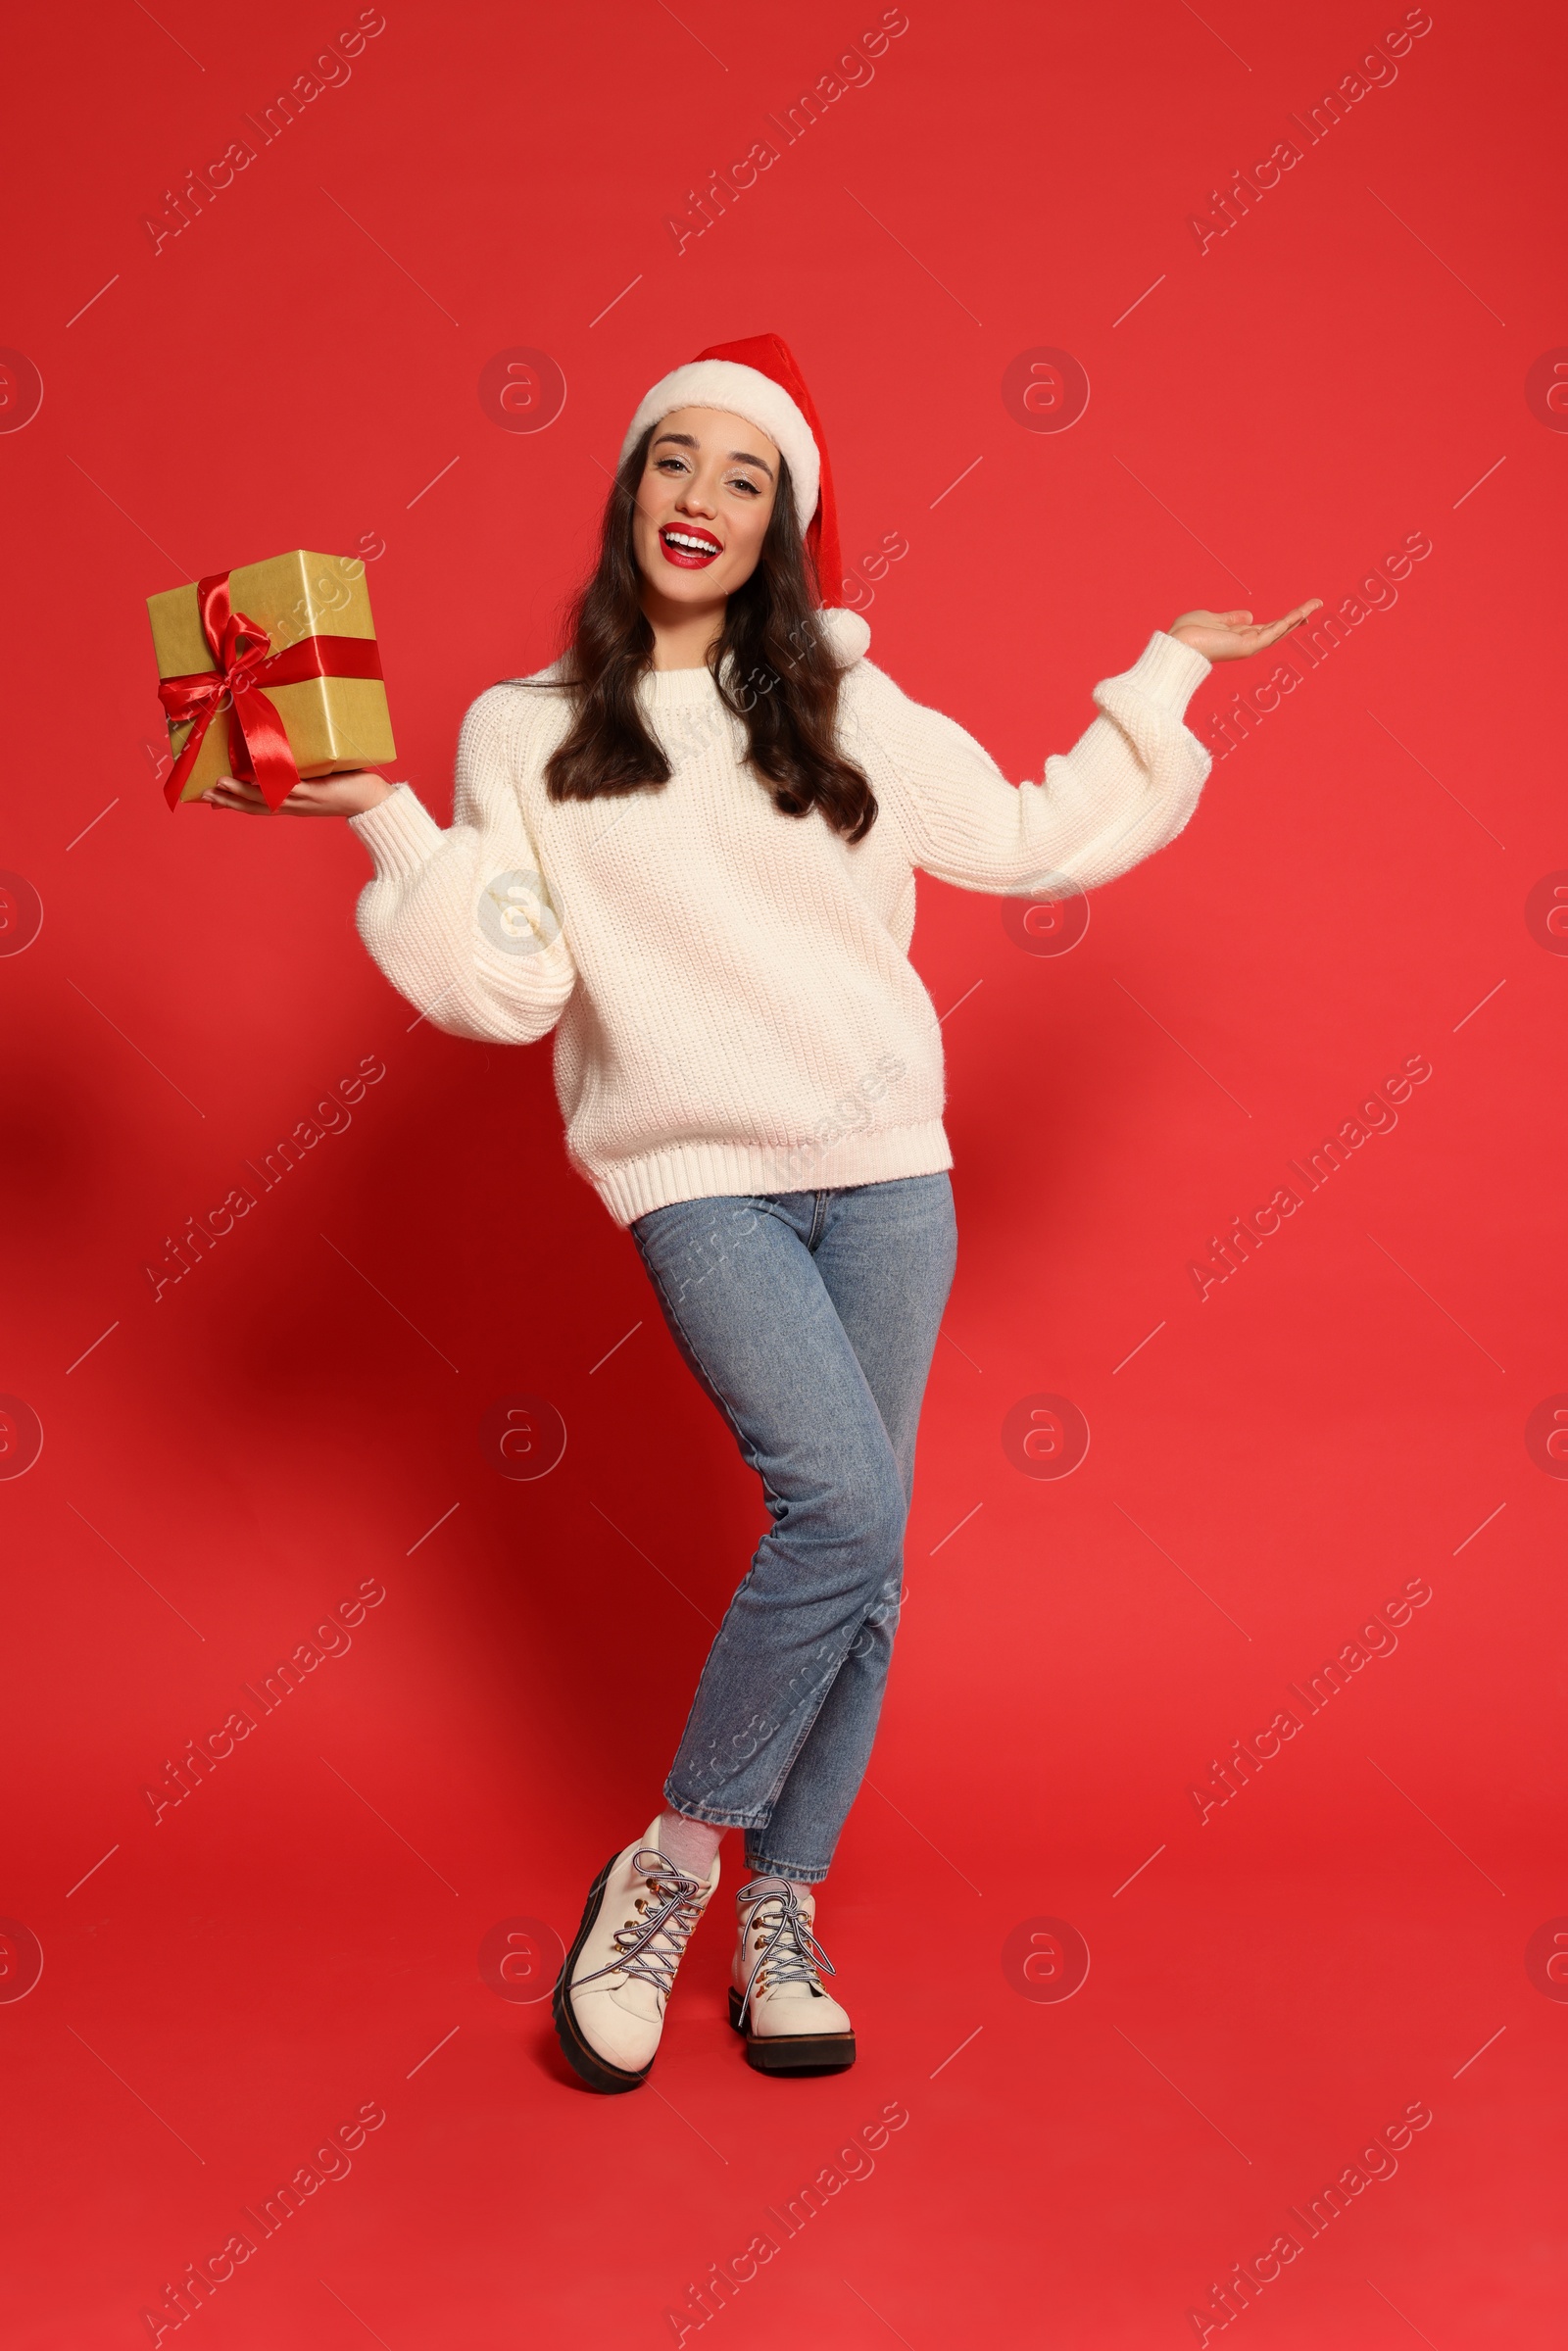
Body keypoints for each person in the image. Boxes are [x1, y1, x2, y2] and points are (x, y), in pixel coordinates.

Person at [204, 332, 1319, 2095]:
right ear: (629, 488)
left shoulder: (846, 709)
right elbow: (513, 986)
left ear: (786, 518)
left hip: (893, 1179)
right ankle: (672, 1870)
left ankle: (780, 1914)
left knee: (863, 1557)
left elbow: (1027, 836)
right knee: (842, 1509)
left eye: (745, 474)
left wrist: (1164, 676)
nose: (702, 499)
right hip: (697, 1174)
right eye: (676, 461)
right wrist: (391, 820)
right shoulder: (529, 730)